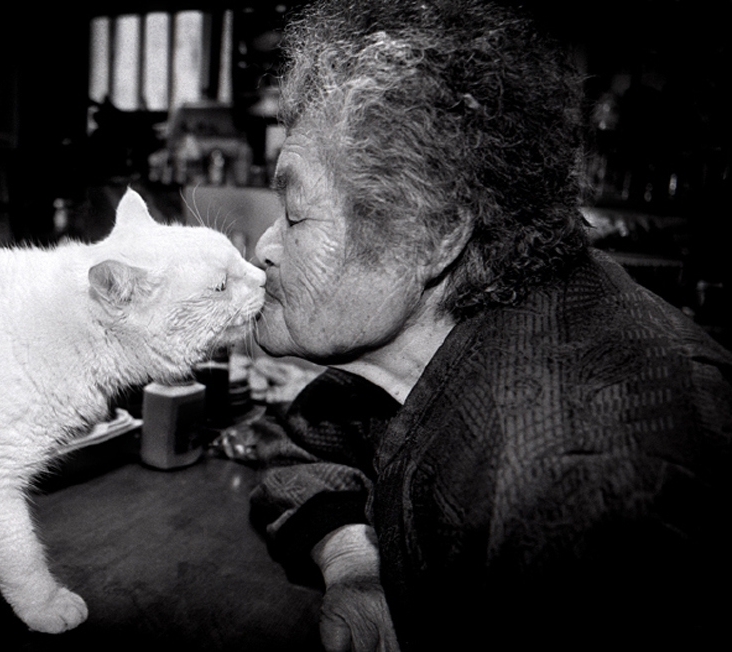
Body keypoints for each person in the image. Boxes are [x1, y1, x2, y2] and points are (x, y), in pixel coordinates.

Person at [247, 0, 732, 650]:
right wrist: (355, 560)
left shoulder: (585, 497)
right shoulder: (439, 334)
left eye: (296, 212)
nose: (264, 247)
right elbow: (301, 441)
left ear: (430, 234)